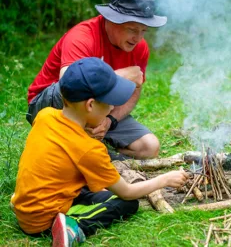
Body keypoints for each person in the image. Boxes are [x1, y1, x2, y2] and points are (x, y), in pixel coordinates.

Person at [11, 58, 189, 246]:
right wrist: (165, 179)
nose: (113, 107)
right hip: (41, 221)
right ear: (90, 105)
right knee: (127, 203)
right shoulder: (89, 148)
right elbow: (127, 192)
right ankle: (74, 227)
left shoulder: (45, 115)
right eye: (110, 102)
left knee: (100, 191)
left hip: (26, 206)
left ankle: (50, 214)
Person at [26, 0, 167, 160]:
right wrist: (118, 76)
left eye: (143, 31)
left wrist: (110, 121)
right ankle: (87, 152)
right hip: (52, 105)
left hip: (100, 109)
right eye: (132, 29)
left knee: (149, 147)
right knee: (75, 88)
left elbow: (134, 91)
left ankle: (96, 154)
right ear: (112, 19)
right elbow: (69, 87)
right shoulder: (82, 36)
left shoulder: (139, 48)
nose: (138, 38)